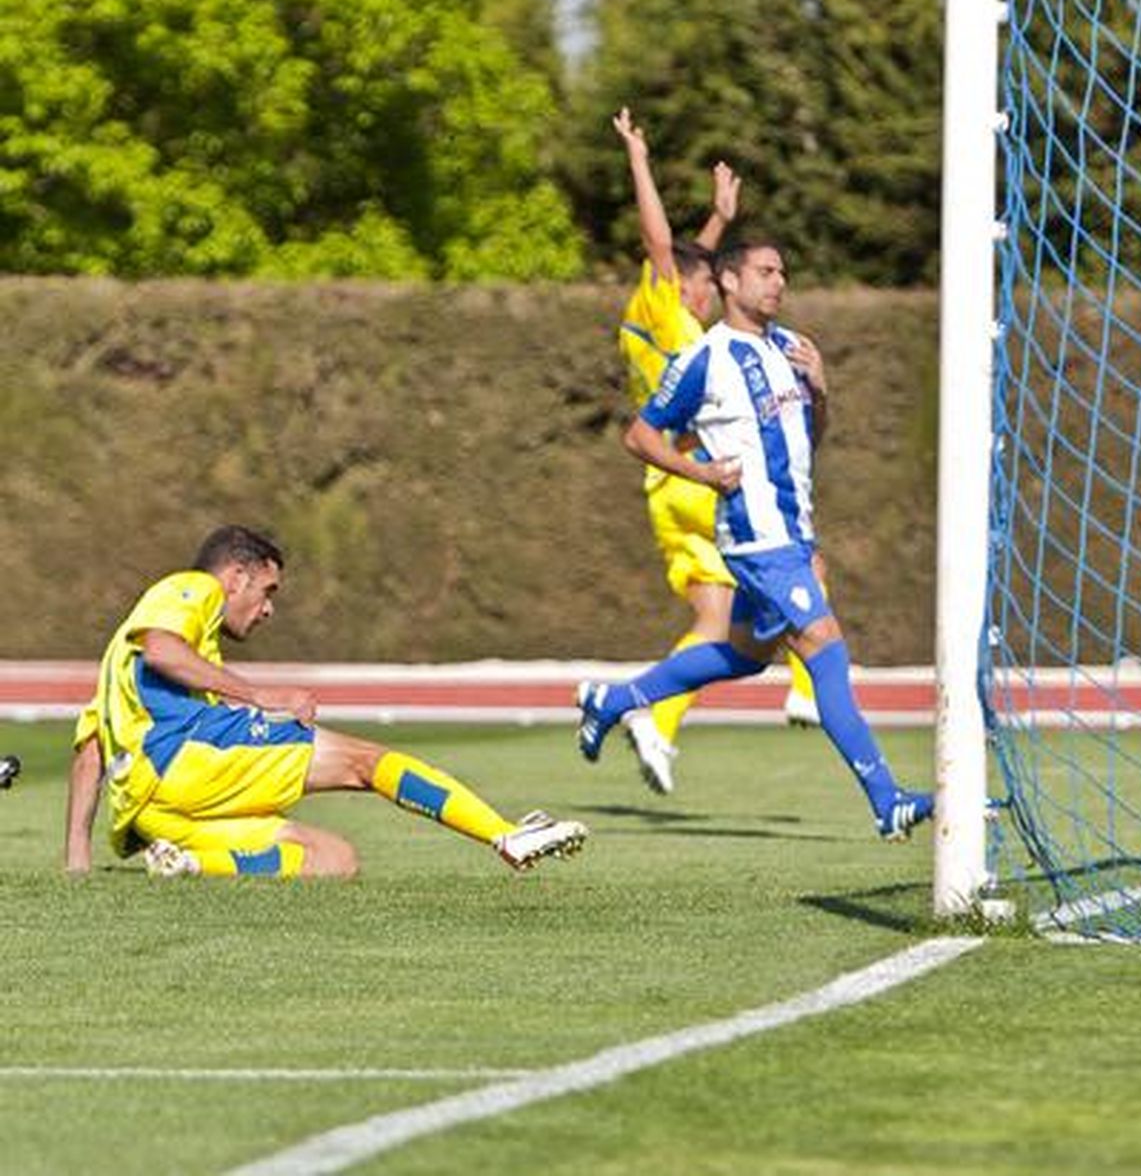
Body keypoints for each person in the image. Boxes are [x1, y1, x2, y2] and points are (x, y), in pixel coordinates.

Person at [577, 240, 935, 841]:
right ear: (730, 281)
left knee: (743, 656)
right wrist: (703, 474)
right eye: (766, 272)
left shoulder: (789, 348)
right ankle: (887, 799)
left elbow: (810, 440)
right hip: (755, 538)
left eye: (783, 272)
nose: (779, 282)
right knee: (826, 649)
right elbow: (640, 436)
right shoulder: (705, 357)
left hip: (792, 532)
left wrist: (820, 389)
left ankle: (614, 701)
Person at [64, 526, 587, 877]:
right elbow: (162, 649)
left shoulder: (117, 660)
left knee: (333, 860)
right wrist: (260, 695)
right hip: (186, 765)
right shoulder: (192, 588)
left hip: (158, 818)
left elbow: (90, 748)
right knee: (366, 763)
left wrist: (77, 860)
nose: (267, 609)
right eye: (267, 591)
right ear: (237, 576)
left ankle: (191, 865)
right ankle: (504, 836)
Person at [612, 107, 821, 798]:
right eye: (701, 281)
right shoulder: (664, 305)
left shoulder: (675, 324)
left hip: (664, 490)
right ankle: (808, 687)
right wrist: (639, 158)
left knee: (714, 620)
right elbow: (665, 248)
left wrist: (720, 217)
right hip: (697, 477)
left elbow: (695, 262)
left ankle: (653, 716)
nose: (706, 289)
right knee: (801, 552)